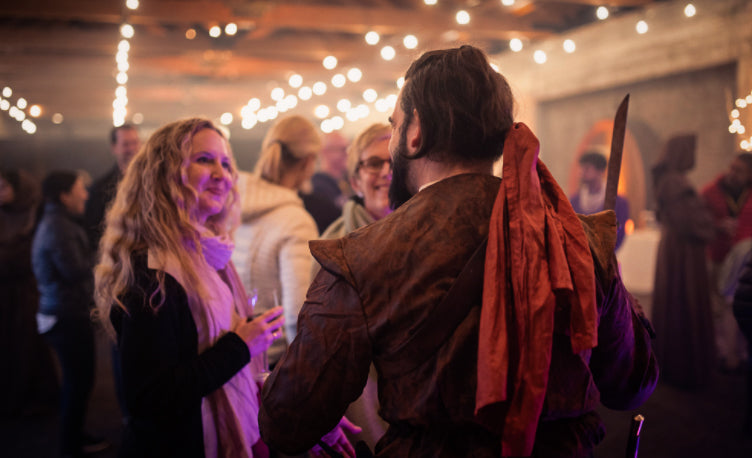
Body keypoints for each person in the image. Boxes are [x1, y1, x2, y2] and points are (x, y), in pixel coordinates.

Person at [260, 45, 658, 457]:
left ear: (415, 131)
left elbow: (286, 421)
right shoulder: (575, 239)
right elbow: (634, 384)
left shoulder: (360, 257)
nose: (393, 141)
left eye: (394, 125)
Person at [94, 117, 285, 457]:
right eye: (204, 159)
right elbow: (149, 397)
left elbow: (202, 344)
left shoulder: (211, 254)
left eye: (226, 163)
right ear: (164, 174)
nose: (222, 174)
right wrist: (240, 346)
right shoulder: (151, 273)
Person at [315, 123, 393, 450]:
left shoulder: (431, 236)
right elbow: (317, 347)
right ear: (356, 181)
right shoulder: (334, 247)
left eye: (395, 162)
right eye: (374, 163)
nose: (387, 172)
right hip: (364, 410)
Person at [232, 115, 320, 367]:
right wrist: (305, 371)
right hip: (275, 361)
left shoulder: (235, 206)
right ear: (309, 161)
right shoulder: (296, 221)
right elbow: (297, 314)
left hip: (237, 354)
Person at [32, 170, 108, 457]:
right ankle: (70, 445)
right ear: (65, 196)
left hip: (63, 312)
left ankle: (76, 435)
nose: (86, 195)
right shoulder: (59, 227)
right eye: (80, 189)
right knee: (78, 383)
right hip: (66, 315)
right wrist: (105, 256)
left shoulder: (57, 222)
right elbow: (74, 270)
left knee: (78, 382)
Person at [651, 134, 716, 389]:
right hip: (682, 251)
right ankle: (682, 365)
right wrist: (713, 225)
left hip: (680, 248)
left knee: (678, 299)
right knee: (681, 300)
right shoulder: (674, 182)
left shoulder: (673, 180)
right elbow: (687, 221)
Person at [0, 169, 57, 418]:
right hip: (4, 294)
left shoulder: (35, 214)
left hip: (25, 293)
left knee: (27, 346)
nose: (0, 193)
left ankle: (32, 398)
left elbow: (28, 256)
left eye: (4, 187)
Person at [702, 152, 752, 372]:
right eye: (732, 167)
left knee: (741, 306)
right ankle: (721, 353)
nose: (733, 173)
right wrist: (718, 225)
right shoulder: (711, 191)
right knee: (718, 305)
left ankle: (740, 353)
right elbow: (700, 219)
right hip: (718, 255)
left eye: (739, 171)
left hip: (746, 262)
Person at [84, 124, 141, 250]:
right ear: (114, 148)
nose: (132, 148)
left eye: (135, 142)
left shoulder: (151, 181)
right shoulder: (100, 187)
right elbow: (94, 230)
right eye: (126, 144)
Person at [569, 151, 630, 250]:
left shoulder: (618, 202)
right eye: (581, 168)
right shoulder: (574, 201)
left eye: (587, 168)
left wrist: (603, 251)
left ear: (600, 171)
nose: (582, 172)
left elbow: (619, 232)